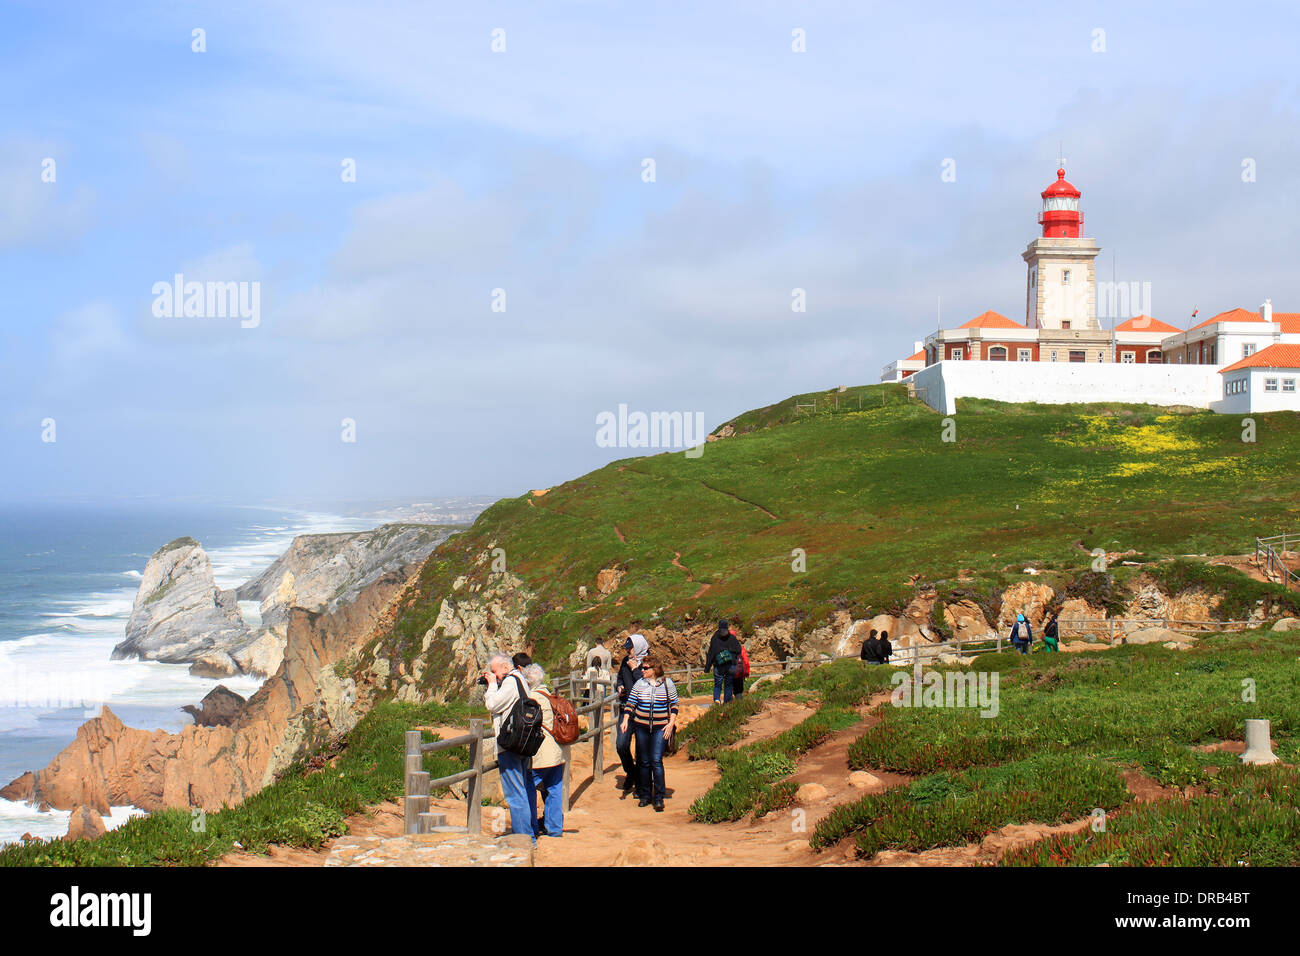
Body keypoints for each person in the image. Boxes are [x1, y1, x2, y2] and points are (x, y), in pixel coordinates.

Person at [482, 652, 538, 841]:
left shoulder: (510, 681)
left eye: (494, 671)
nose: (494, 675)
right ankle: (530, 832)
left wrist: (491, 686)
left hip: (511, 745)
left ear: (506, 667)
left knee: (515, 794)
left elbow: (492, 705)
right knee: (522, 788)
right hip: (523, 743)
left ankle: (524, 837)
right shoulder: (521, 680)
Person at [620, 654, 678, 812]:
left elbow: (674, 704)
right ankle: (645, 795)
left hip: (661, 728)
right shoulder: (639, 684)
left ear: (655, 669)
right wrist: (625, 720)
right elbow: (631, 703)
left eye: (645, 668)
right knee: (643, 761)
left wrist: (671, 724)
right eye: (642, 668)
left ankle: (659, 797)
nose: (642, 671)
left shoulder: (667, 684)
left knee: (656, 761)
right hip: (642, 727)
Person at [522, 664, 564, 839]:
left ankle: (530, 829)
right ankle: (554, 829)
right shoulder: (549, 695)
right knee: (554, 789)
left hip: (540, 753)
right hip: (556, 752)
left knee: (528, 788)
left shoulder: (531, 698)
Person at [615, 634, 648, 796]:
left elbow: (645, 685)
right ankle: (631, 771)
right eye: (627, 648)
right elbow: (620, 677)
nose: (628, 651)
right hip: (626, 709)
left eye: (630, 647)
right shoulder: (624, 662)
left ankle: (642, 784)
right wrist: (620, 686)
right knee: (621, 744)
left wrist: (635, 668)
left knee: (642, 749)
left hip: (642, 711)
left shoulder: (648, 663)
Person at [704, 619, 742, 705]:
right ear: (727, 627)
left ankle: (717, 699)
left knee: (718, 684)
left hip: (718, 665)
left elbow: (711, 653)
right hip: (731, 665)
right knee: (728, 685)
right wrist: (730, 651)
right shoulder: (732, 638)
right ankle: (727, 703)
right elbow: (739, 650)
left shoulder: (715, 638)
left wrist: (707, 667)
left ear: (719, 627)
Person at [730, 624, 748, 698]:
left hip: (728, 672)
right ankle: (740, 707)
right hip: (739, 672)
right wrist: (746, 672)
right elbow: (745, 661)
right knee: (739, 691)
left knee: (728, 690)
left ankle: (728, 708)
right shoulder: (740, 647)